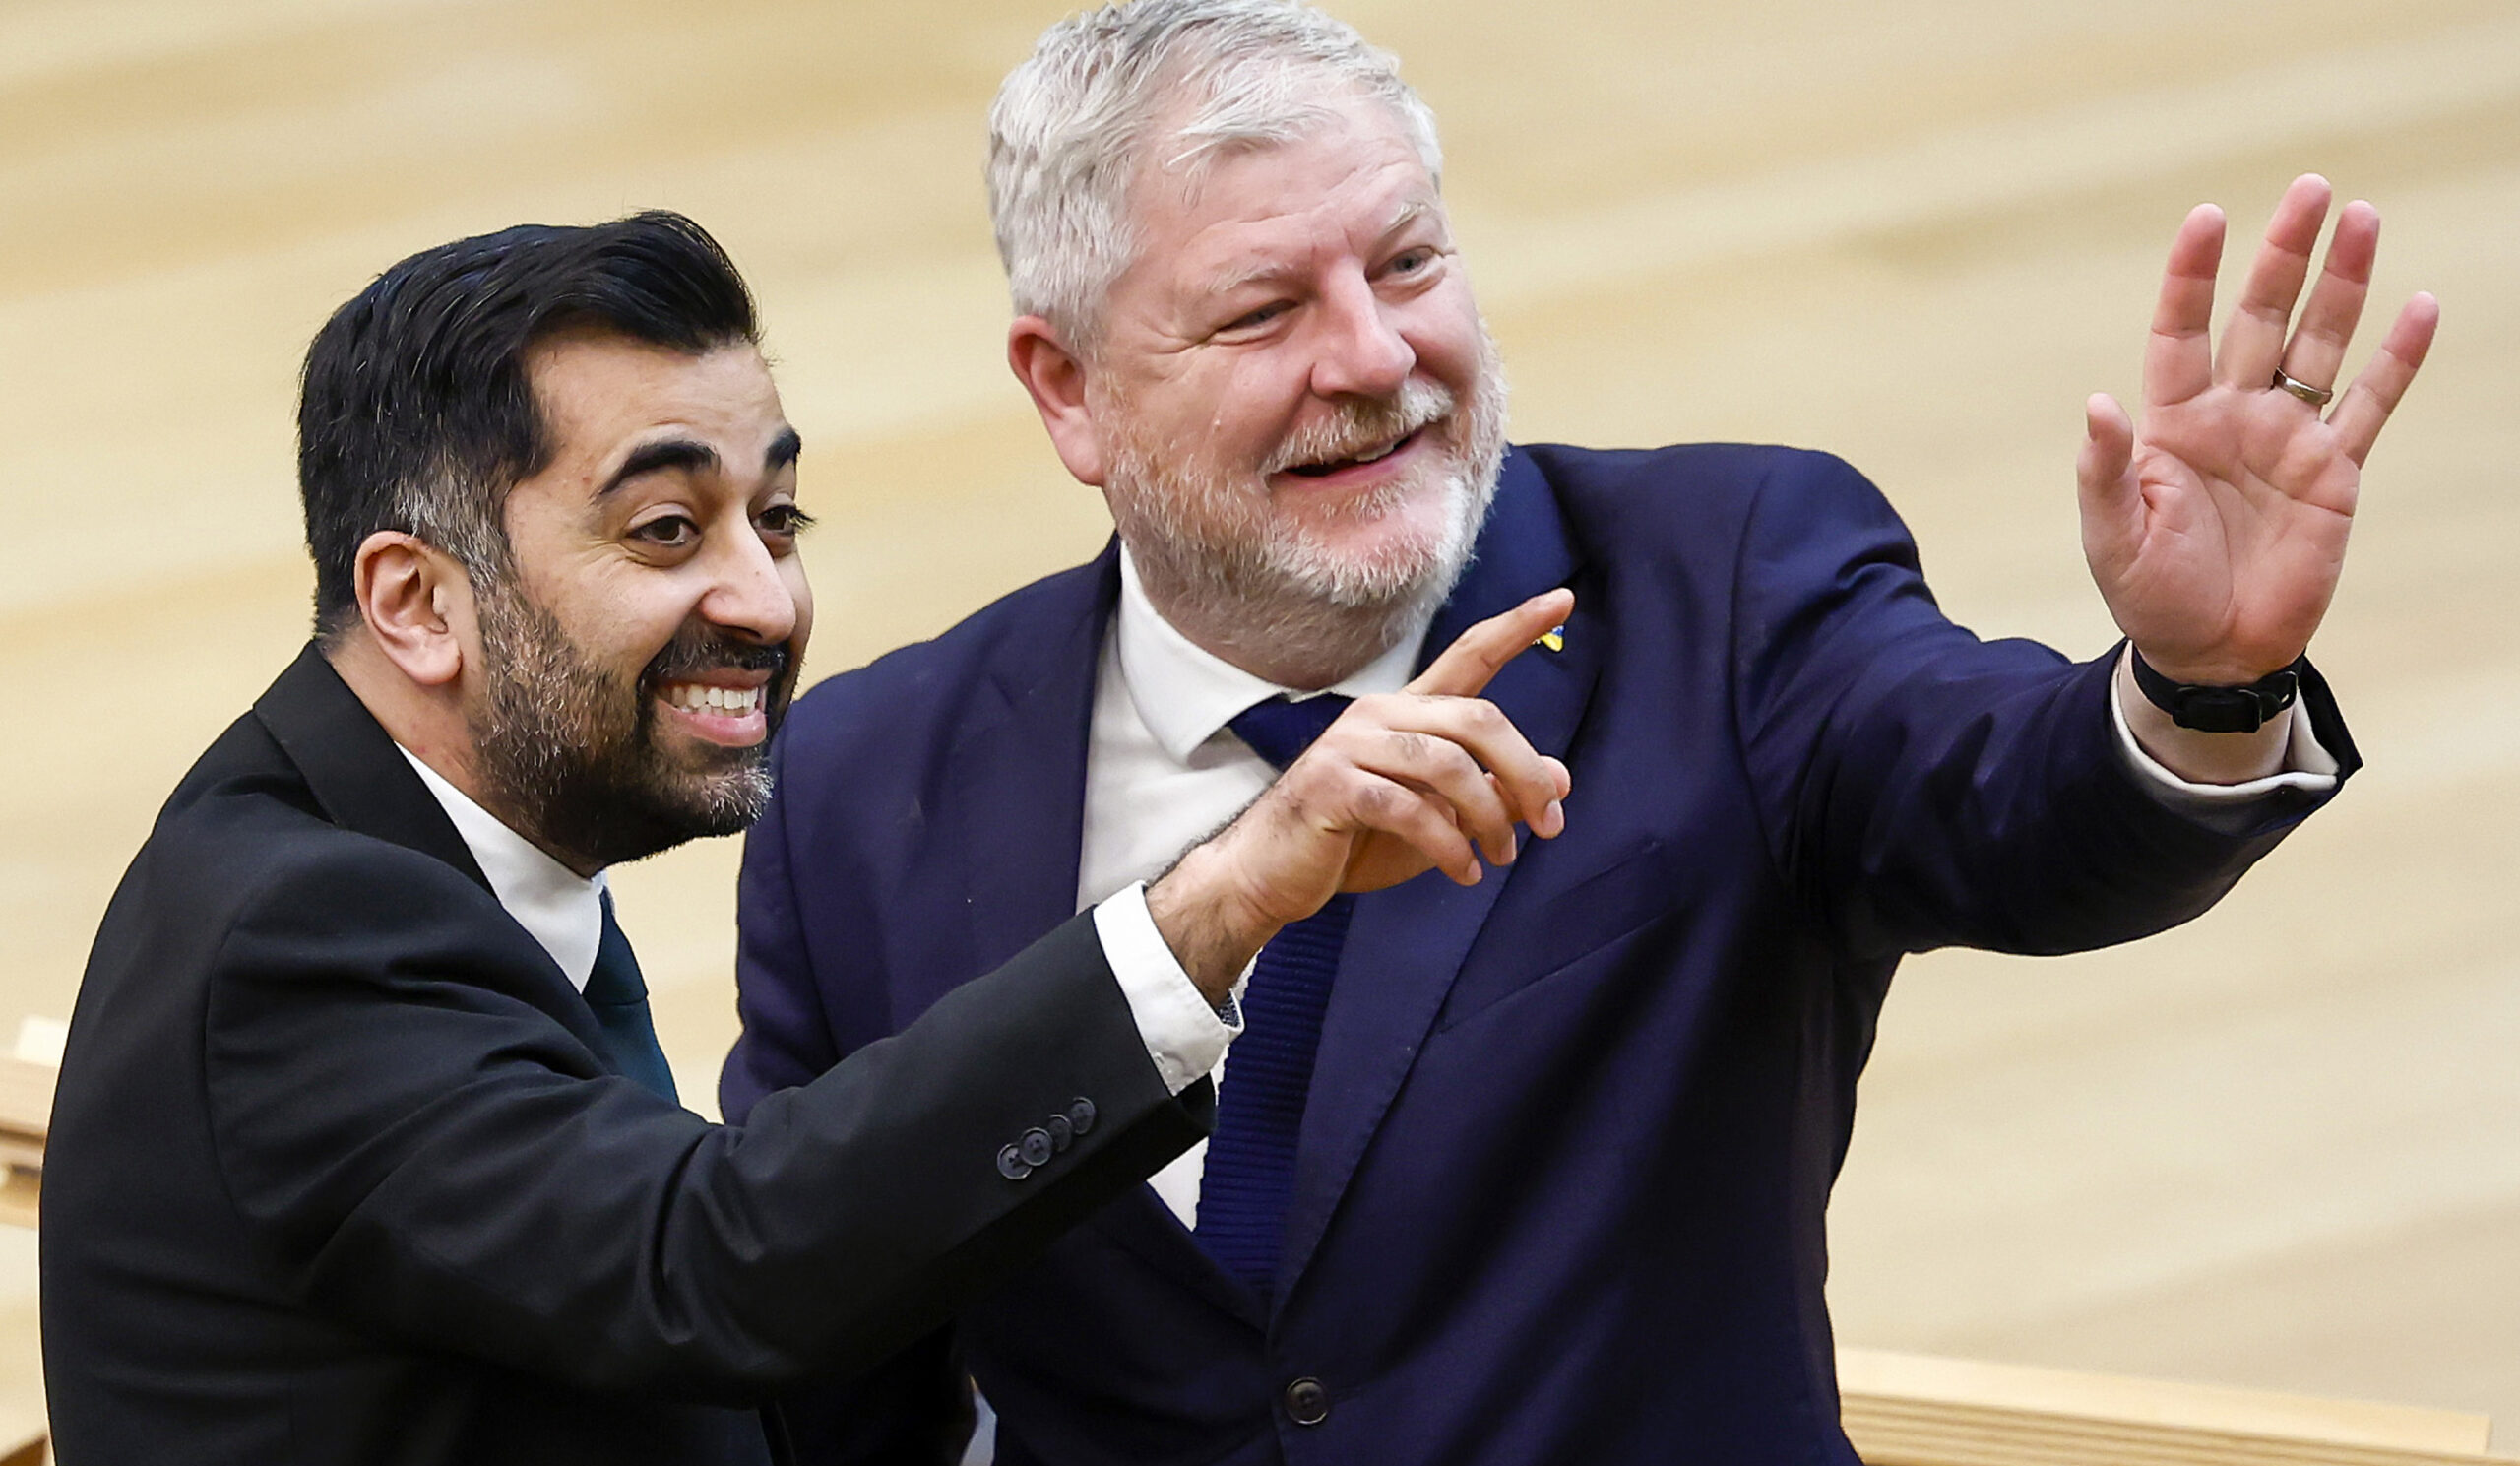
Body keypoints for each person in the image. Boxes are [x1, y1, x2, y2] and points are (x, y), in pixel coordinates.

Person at [723, 3, 2438, 1462]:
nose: (1378, 354)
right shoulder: (871, 783)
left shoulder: (1731, 587)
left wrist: (2194, 680)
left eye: (1407, 262)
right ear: (1067, 387)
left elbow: (2016, 798)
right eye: (1265, 312)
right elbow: (817, 1329)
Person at [37, 210, 1577, 1466]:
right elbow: (711, 1264)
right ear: (416, 602)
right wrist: (1222, 898)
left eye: (775, 520)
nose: (767, 605)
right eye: (665, 530)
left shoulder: (456, 843)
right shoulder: (295, 937)